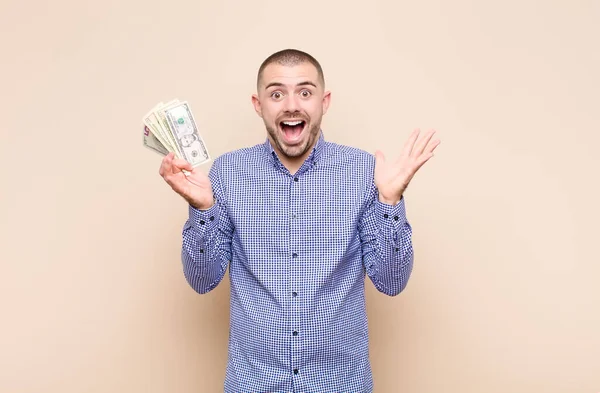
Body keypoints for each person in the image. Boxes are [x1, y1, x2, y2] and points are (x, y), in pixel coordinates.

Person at [158, 48, 440, 393]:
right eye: (277, 94)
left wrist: (389, 201)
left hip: (340, 384)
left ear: (325, 101)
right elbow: (202, 280)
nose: (291, 105)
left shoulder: (364, 171)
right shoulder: (228, 173)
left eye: (305, 92)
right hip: (253, 383)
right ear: (258, 104)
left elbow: (392, 282)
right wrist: (203, 209)